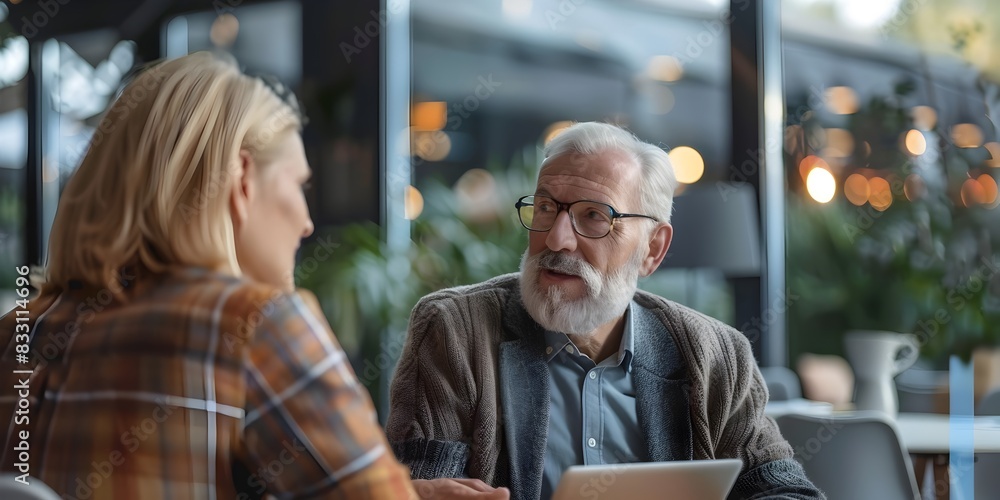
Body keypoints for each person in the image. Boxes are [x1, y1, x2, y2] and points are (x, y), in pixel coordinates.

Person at [0, 52, 506, 500]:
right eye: (299, 186)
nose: (307, 223)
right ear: (241, 179)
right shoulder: (255, 324)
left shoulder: (15, 334)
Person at [386, 122, 824, 499]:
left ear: (652, 249)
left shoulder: (717, 355)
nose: (556, 239)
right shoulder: (457, 331)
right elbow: (425, 485)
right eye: (545, 208)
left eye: (594, 216)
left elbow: (785, 490)